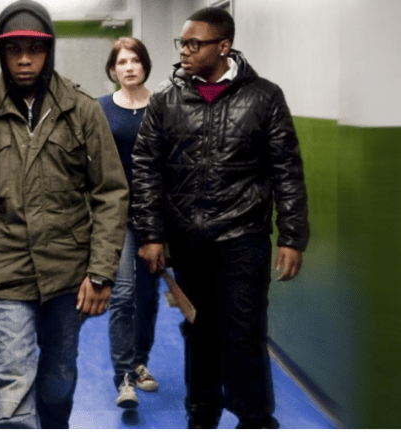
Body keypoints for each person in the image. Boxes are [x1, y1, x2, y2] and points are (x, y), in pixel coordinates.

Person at [0, 0, 129, 428]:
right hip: (2, 271)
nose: (24, 59)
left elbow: (111, 192)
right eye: (14, 49)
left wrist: (101, 272)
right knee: (12, 387)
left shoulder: (82, 111)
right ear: (1, 53)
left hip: (67, 274)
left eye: (35, 49)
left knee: (58, 383)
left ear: (49, 50)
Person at [131, 7, 309, 430]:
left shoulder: (264, 97)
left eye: (194, 44)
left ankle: (255, 419)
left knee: (244, 333)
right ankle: (201, 415)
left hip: (243, 238)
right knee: (199, 331)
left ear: (223, 47)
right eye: (182, 44)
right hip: (189, 240)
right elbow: (145, 168)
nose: (184, 52)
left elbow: (286, 169)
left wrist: (292, 236)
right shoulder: (166, 99)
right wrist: (151, 234)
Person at [97, 36, 162, 409]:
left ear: (145, 64)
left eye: (135, 60)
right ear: (113, 69)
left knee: (148, 296)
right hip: (116, 216)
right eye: (122, 62)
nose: (129, 67)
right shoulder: (101, 108)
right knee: (122, 294)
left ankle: (140, 362)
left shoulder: (163, 106)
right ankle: (124, 376)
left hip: (155, 217)